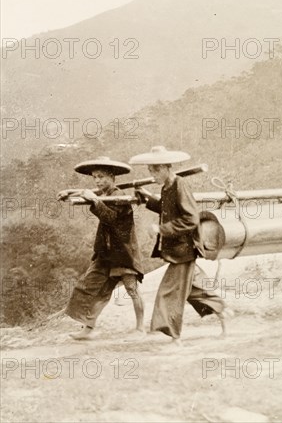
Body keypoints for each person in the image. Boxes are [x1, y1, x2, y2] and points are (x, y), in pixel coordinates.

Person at [132, 146, 229, 345]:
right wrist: (146, 198)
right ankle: (222, 310)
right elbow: (165, 208)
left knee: (170, 294)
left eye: (156, 170)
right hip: (176, 251)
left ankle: (175, 338)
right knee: (195, 291)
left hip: (183, 250)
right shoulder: (167, 187)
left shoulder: (179, 184)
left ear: (167, 168)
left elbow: (191, 219)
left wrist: (162, 230)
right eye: (151, 170)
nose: (153, 174)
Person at [63, 157, 145, 340]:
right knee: (89, 287)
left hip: (123, 253)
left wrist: (95, 201)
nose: (98, 180)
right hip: (105, 253)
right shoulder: (103, 194)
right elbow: (95, 201)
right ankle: (87, 329)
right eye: (95, 177)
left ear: (111, 176)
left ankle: (140, 328)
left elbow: (111, 218)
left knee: (132, 289)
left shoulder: (120, 196)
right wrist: (70, 193)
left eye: (101, 177)